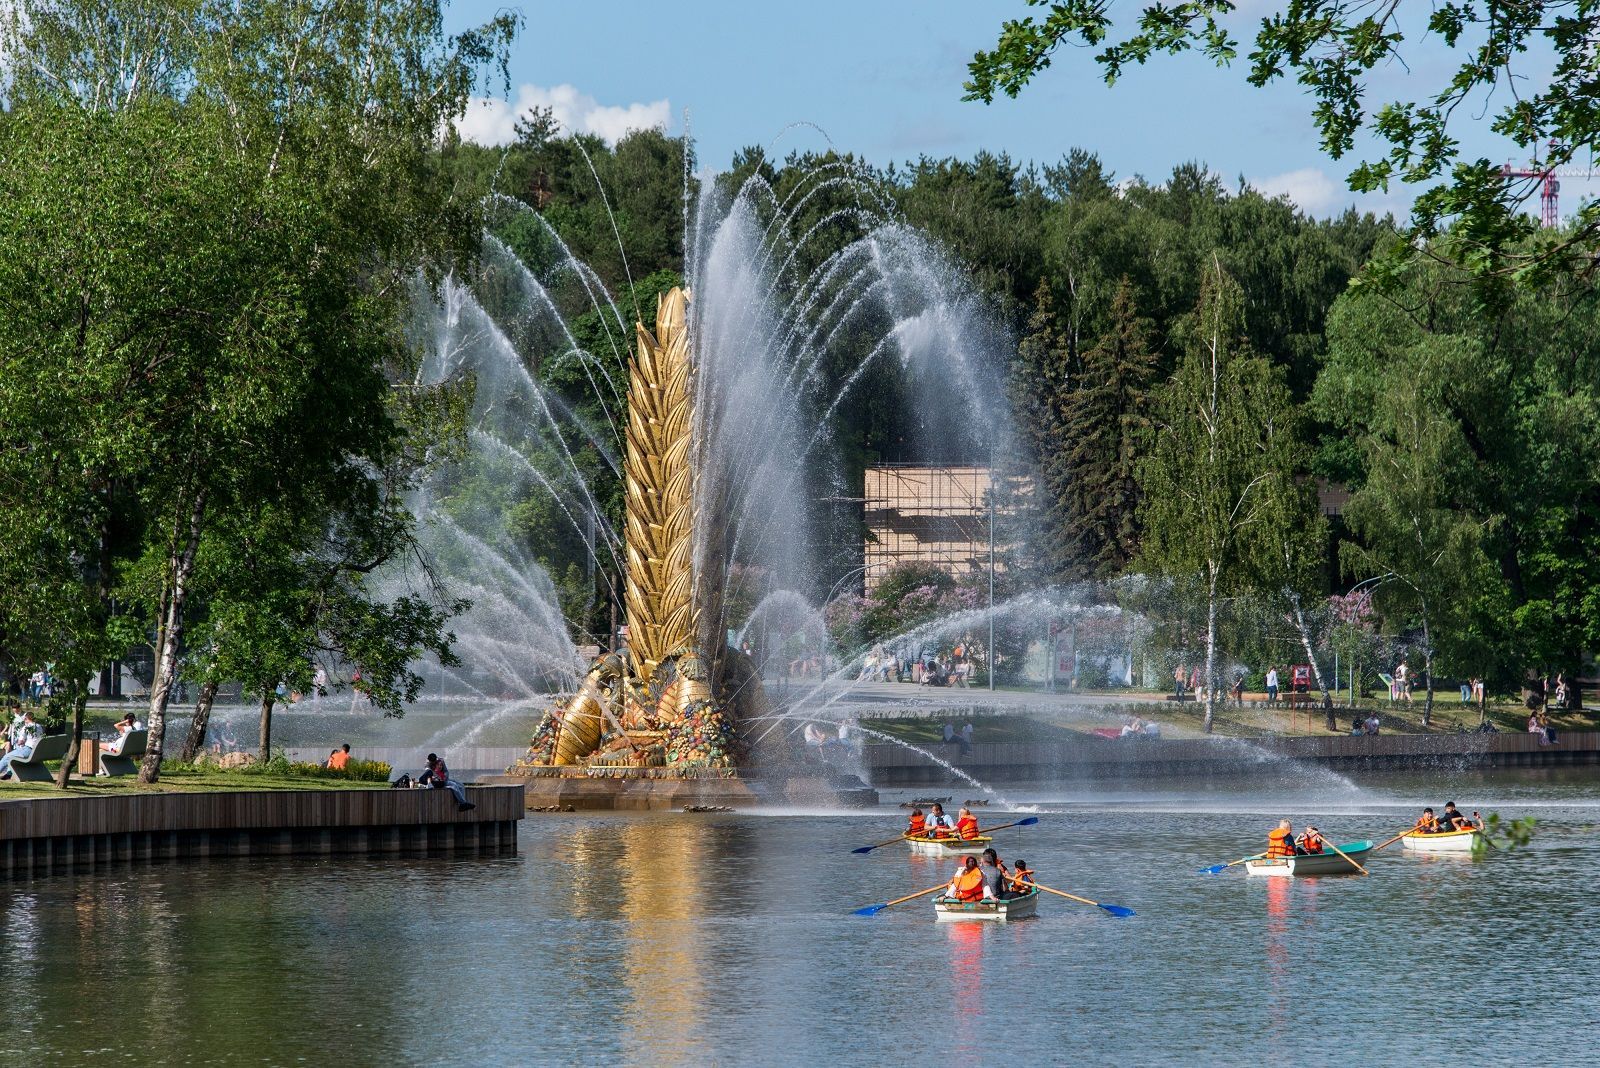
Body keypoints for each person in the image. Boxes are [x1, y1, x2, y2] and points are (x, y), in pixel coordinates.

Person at [0, 710, 43, 780]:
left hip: (28, 751)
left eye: (24, 720)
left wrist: (20, 742)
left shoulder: (26, 727)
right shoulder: (39, 726)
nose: (24, 722)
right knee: (14, 752)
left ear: (26, 719)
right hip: (37, 752)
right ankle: (8, 773)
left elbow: (20, 742)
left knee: (6, 757)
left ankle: (8, 773)